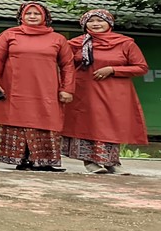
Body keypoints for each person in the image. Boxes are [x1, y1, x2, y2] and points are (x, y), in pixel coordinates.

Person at [0, 2, 75, 172]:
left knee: (46, 119)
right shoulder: (8, 35)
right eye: (29, 13)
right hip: (15, 87)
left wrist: (67, 89)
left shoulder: (57, 39)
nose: (32, 16)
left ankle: (45, 161)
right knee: (17, 120)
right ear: (21, 16)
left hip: (46, 89)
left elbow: (67, 66)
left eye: (37, 14)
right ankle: (21, 159)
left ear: (45, 17)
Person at [61, 9, 149, 174]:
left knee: (111, 124)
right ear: (84, 25)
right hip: (85, 91)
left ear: (109, 23)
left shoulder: (125, 43)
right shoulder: (76, 43)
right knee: (87, 123)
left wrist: (113, 69)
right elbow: (64, 65)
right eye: (91, 21)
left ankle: (112, 162)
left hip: (115, 93)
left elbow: (141, 67)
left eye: (100, 20)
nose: (96, 24)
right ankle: (89, 162)